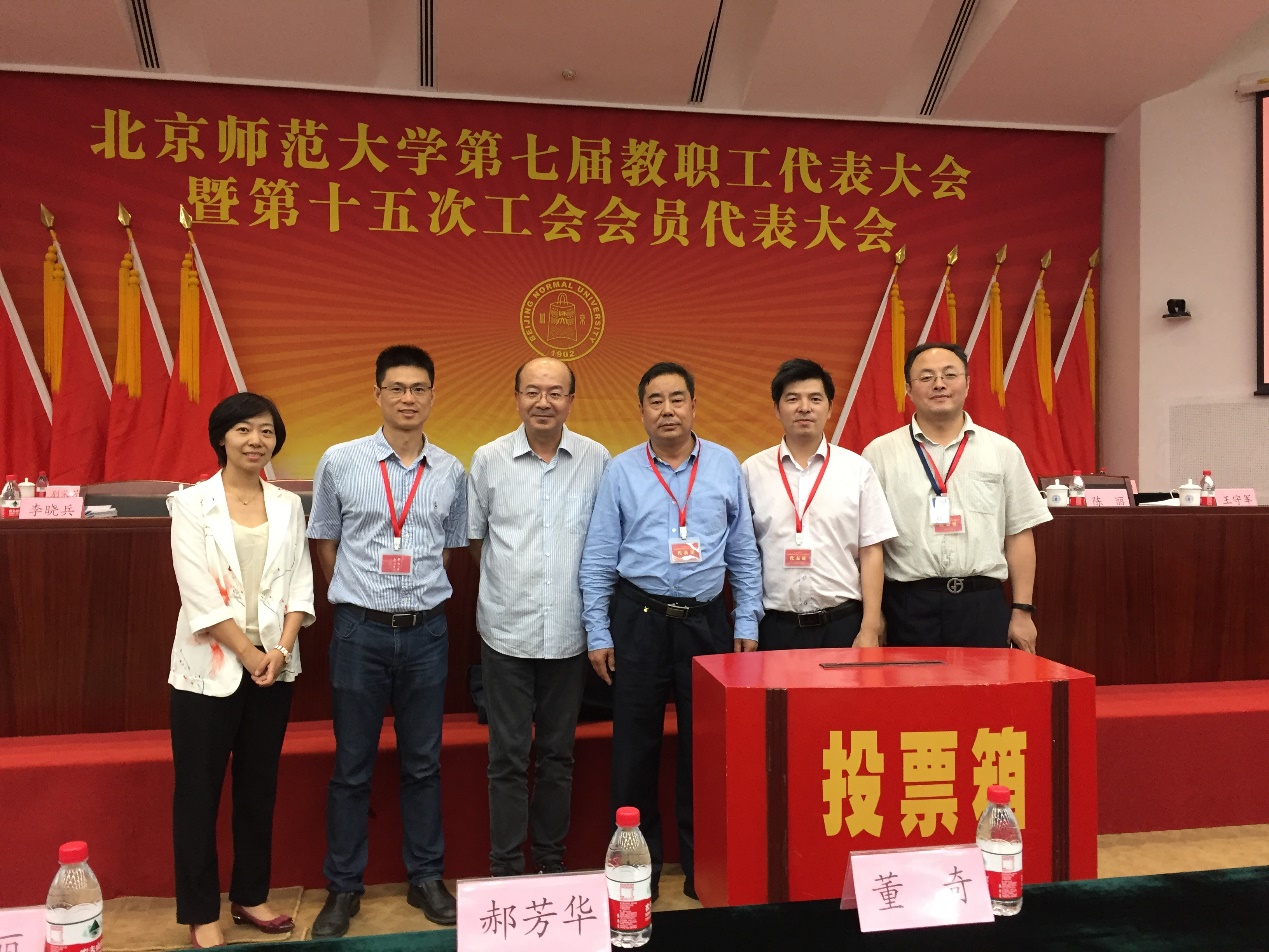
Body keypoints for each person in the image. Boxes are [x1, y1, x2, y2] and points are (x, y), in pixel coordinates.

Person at [578, 361, 762, 901]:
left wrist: (745, 619)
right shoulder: (621, 470)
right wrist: (597, 631)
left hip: (706, 623)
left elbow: (743, 552)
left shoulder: (725, 465)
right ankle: (638, 871)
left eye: (677, 399)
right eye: (655, 401)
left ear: (694, 406)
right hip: (638, 621)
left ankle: (706, 868)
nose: (667, 410)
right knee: (634, 753)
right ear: (641, 411)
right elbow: (599, 557)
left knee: (705, 751)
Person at [307, 345, 468, 935]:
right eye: (396, 388)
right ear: (377, 394)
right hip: (360, 631)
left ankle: (426, 877)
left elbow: (448, 548)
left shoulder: (451, 470)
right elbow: (325, 540)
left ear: (432, 396)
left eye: (418, 388)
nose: (408, 398)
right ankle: (343, 887)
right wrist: (359, 597)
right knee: (352, 766)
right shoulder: (340, 460)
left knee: (423, 764)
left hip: (426, 633)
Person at [168, 392, 315, 949]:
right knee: (198, 792)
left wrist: (280, 649)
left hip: (275, 666)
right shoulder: (191, 504)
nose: (257, 441)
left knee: (258, 788)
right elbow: (200, 597)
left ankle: (251, 895)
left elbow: (300, 582)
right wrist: (251, 654)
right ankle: (201, 911)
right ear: (222, 437)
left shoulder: (288, 505)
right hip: (209, 671)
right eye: (244, 430)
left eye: (267, 431)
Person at [468, 357, 610, 877]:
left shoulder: (597, 459)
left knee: (557, 756)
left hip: (570, 634)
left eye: (554, 392)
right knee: (505, 757)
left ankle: (550, 862)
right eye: (532, 391)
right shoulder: (488, 459)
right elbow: (476, 541)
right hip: (506, 633)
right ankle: (506, 867)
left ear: (571, 400)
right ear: (516, 397)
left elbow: (605, 543)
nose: (543, 402)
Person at [862, 342, 1051, 650]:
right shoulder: (879, 454)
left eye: (950, 374)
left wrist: (1022, 610)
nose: (939, 384)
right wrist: (873, 617)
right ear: (908, 388)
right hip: (907, 606)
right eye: (926, 377)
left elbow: (1018, 533)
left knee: (985, 683)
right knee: (910, 684)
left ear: (967, 383)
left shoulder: (1002, 451)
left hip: (981, 604)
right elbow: (871, 543)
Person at [742, 358, 896, 649]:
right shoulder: (752, 471)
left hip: (842, 624)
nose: (804, 408)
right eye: (792, 399)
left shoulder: (857, 469)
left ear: (829, 408)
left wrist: (870, 627)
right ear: (776, 409)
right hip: (776, 626)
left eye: (815, 399)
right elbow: (743, 555)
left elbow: (871, 551)